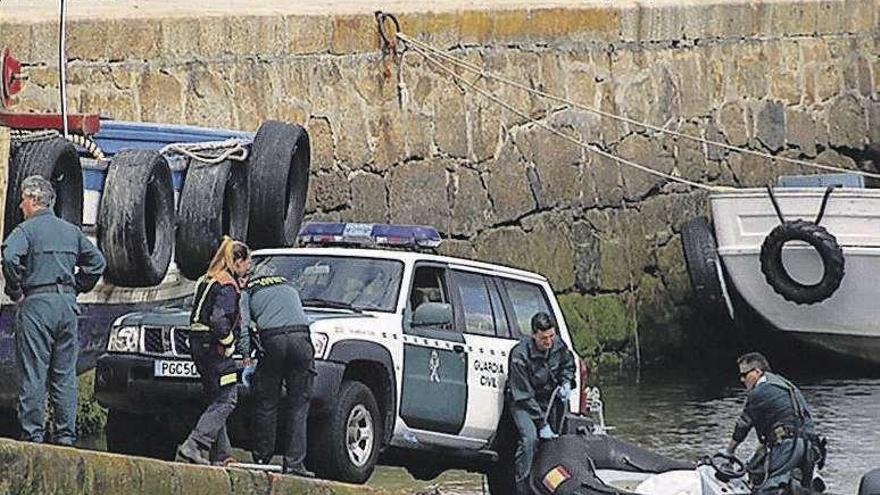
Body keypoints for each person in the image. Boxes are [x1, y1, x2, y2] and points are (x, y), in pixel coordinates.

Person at [1, 175, 106, 445]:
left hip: (37, 304)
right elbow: (97, 262)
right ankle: (66, 438)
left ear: (34, 200)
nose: (21, 206)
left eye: (24, 200)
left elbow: (10, 256)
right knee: (64, 375)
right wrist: (77, 287)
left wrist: (15, 289)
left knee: (34, 373)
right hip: (67, 307)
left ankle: (33, 436)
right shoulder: (70, 230)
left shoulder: (26, 230)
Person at [177, 237, 250, 466]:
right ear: (236, 261)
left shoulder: (206, 279)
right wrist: (229, 343)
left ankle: (222, 456)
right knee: (228, 398)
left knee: (216, 397)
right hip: (215, 348)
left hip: (198, 344)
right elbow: (219, 319)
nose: (249, 268)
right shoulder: (227, 285)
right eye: (247, 263)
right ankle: (195, 444)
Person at [723, 352, 824, 494]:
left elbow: (743, 425)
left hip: (789, 445)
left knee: (769, 489)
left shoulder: (760, 391)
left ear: (757, 372)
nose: (742, 379)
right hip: (809, 447)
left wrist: (729, 452)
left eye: (744, 375)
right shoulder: (784, 385)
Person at [245, 274, 315, 477]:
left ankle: (262, 459)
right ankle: (295, 464)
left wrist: (246, 354)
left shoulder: (247, 290)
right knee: (299, 405)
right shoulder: (288, 284)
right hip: (301, 338)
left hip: (272, 339)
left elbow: (243, 325)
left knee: (267, 401)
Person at [506, 312, 576, 495]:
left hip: (549, 401)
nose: (549, 342)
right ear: (534, 334)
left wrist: (566, 381)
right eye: (544, 338)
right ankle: (522, 487)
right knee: (530, 440)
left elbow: (568, 365)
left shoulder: (558, 345)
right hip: (523, 403)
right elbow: (523, 395)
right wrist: (542, 424)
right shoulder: (519, 355)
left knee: (554, 444)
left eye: (551, 336)